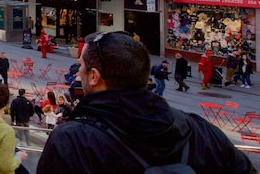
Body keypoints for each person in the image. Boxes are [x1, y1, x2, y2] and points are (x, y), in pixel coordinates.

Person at [38, 31, 254, 173]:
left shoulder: (70, 142)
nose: (79, 70)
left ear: (94, 76)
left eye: (82, 66)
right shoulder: (199, 130)